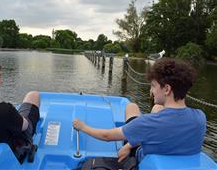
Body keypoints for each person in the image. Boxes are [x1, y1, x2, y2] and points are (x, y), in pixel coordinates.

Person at [73, 58, 206, 165]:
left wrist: (83, 126)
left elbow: (107, 136)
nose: (151, 91)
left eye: (153, 86)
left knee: (131, 107)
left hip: (144, 154)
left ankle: (130, 142)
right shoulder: (200, 117)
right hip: (172, 150)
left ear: (166, 89)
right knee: (157, 108)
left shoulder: (148, 123)